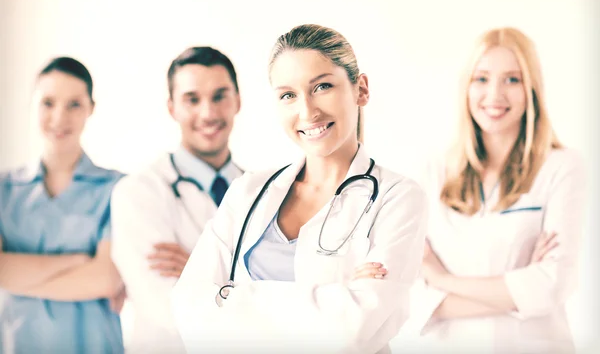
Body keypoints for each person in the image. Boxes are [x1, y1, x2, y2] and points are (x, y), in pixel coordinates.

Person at [170, 24, 428, 354]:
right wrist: (337, 296)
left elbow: (357, 330)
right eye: (288, 95)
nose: (307, 111)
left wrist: (231, 296)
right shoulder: (247, 191)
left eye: (322, 86)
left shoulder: (398, 197)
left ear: (360, 89)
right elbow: (190, 309)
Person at [394, 27, 587, 353]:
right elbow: (405, 293)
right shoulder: (432, 170)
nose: (495, 94)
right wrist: (521, 289)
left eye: (512, 79)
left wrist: (442, 282)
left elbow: (554, 285)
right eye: (481, 79)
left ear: (532, 89)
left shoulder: (562, 166)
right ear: (465, 87)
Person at [110, 47, 243, 353]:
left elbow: (291, 303)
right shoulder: (138, 193)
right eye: (192, 99)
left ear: (238, 100)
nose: (208, 113)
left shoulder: (266, 194)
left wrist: (197, 271)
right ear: (172, 108)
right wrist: (248, 289)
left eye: (220, 95)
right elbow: (174, 311)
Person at [0, 57, 125, 354]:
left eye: (74, 104)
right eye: (48, 103)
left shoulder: (116, 188)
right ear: (32, 105)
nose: (60, 117)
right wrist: (78, 261)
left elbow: (107, 278)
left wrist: (14, 277)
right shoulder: (4, 190)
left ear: (90, 109)